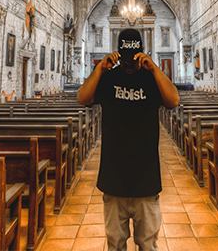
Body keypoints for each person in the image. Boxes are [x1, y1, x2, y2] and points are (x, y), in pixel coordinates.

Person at [77, 28, 179, 251]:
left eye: (132, 59)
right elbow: (83, 98)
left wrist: (155, 68)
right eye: (125, 59)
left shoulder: (152, 79)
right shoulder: (108, 78)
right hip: (114, 178)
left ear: (141, 52)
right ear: (118, 54)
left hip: (146, 179)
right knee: (115, 245)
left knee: (148, 245)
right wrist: (99, 69)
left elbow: (173, 100)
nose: (129, 64)